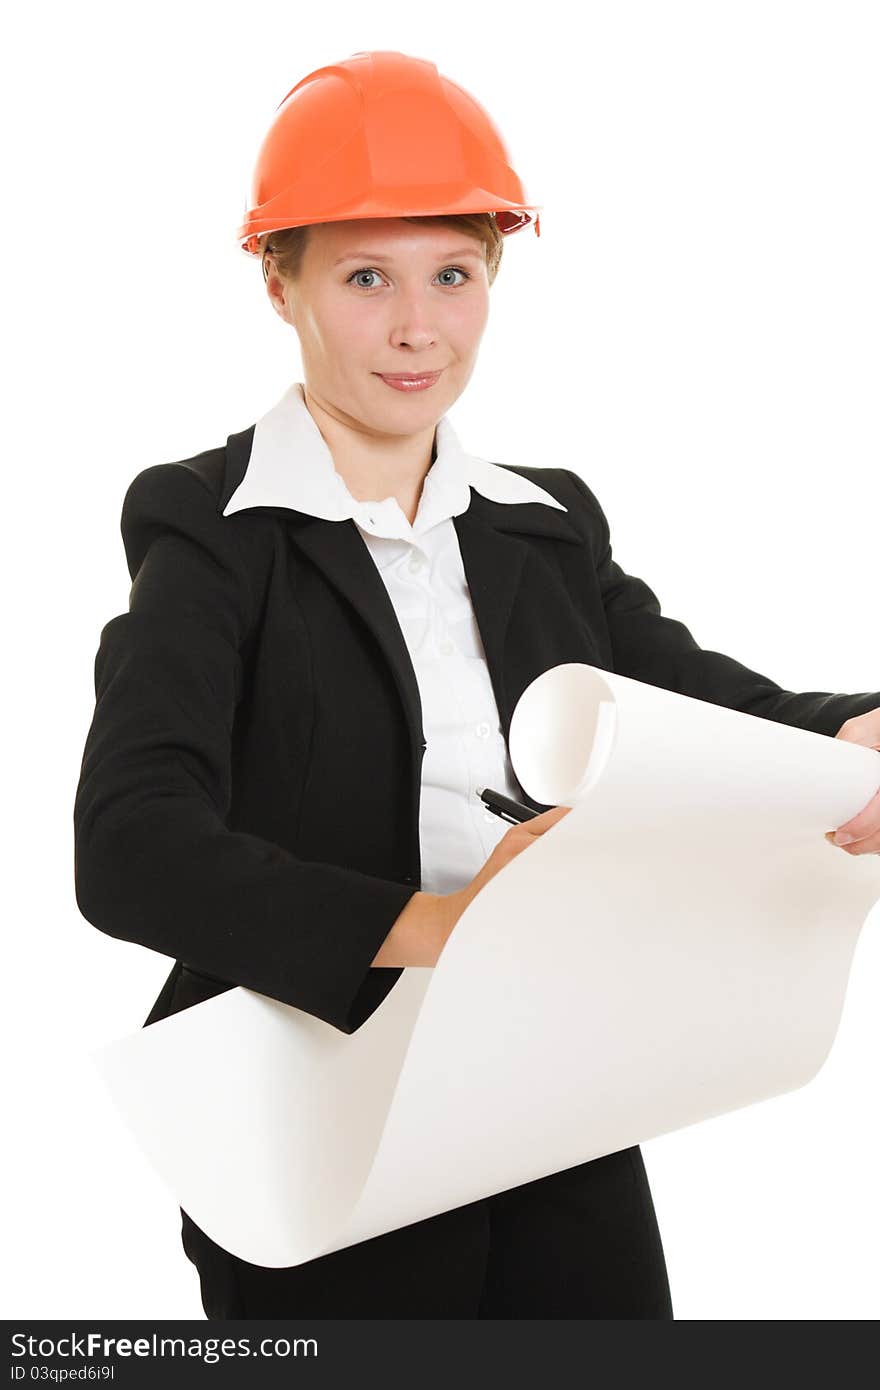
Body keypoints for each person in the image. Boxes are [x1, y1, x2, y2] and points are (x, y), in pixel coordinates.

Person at [73, 49, 880, 1320]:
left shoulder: (541, 522)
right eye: (364, 278)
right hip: (314, 1118)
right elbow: (131, 848)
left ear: (492, 273)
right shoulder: (211, 530)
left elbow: (681, 693)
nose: (417, 328)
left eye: (452, 274)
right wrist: (436, 928)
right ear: (278, 282)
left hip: (550, 1091)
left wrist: (846, 732)